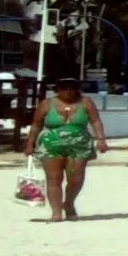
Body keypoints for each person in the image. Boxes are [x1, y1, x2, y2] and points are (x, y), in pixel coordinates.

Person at [22, 79, 111, 223]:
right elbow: (36, 125)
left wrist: (101, 139)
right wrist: (29, 144)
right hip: (51, 145)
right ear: (57, 90)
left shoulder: (85, 102)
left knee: (76, 179)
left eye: (72, 88)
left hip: (79, 145)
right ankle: (56, 212)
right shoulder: (46, 104)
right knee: (54, 178)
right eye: (64, 88)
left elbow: (95, 121)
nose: (68, 91)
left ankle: (69, 203)